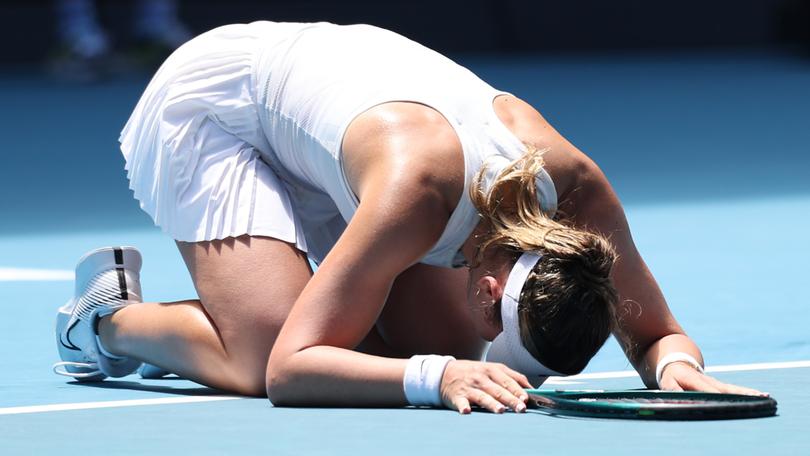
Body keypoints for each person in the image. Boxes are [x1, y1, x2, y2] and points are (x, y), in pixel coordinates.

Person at [54, 21, 763, 413]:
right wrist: (440, 377)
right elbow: (289, 372)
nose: (504, 365)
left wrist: (671, 367)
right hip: (222, 107)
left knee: (402, 348)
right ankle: (104, 319)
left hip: (340, 129)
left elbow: (657, 331)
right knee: (263, 347)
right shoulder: (415, 197)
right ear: (490, 290)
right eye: (503, 340)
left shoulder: (576, 196)